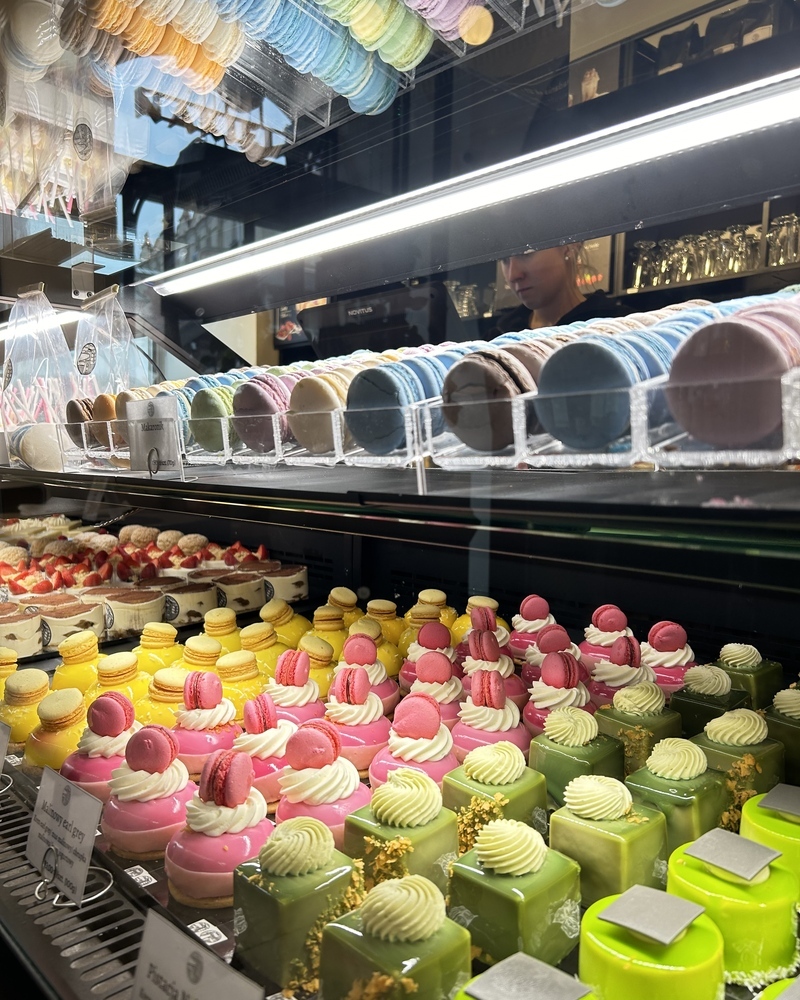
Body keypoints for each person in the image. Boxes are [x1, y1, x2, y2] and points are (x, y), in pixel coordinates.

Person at [490, 243, 626, 335]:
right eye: (504, 260)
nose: (513, 275)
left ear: (568, 246)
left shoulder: (621, 328)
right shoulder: (498, 336)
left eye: (526, 253)